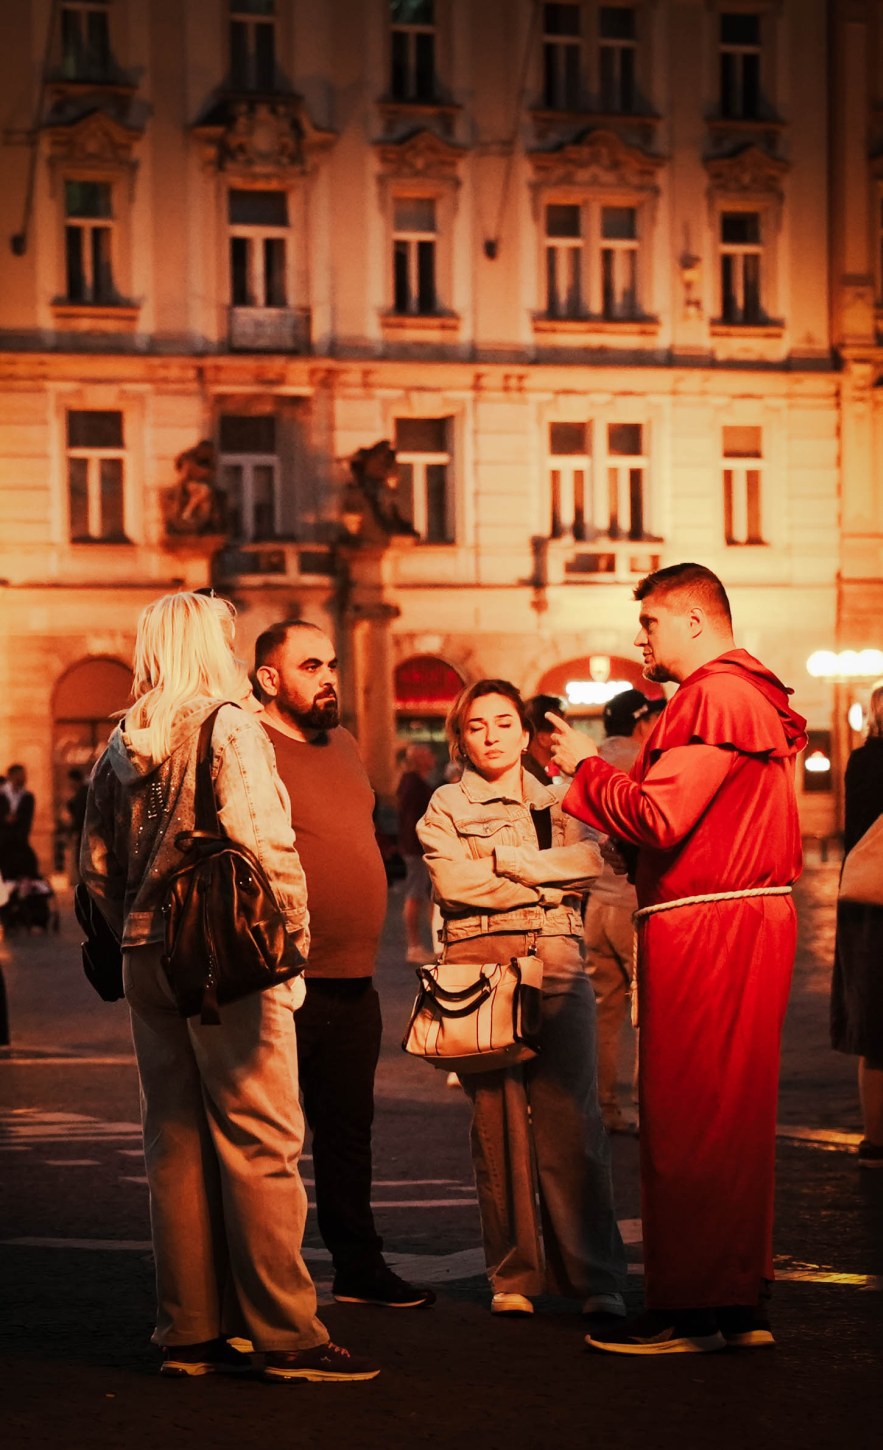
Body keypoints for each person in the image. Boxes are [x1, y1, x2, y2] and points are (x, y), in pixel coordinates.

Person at [80, 590, 378, 1383]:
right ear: (207, 648)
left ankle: (189, 1331)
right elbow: (263, 843)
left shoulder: (123, 736)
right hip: (224, 960)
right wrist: (293, 951)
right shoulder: (229, 724)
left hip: (147, 954)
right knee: (261, 1139)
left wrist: (130, 931)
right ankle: (286, 1332)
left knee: (173, 1141)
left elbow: (97, 865)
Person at [549, 563, 806, 1355]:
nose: (639, 640)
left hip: (707, 926)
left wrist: (582, 766)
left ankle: (689, 1309)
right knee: (729, 1118)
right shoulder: (749, 693)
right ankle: (735, 1303)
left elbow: (661, 815)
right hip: (743, 917)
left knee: (688, 1115)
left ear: (694, 620)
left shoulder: (710, 695)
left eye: (650, 624)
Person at [417, 679, 627, 1321]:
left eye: (504, 722)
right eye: (477, 725)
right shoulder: (445, 803)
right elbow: (452, 884)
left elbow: (597, 860)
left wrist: (509, 868)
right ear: (460, 736)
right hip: (478, 969)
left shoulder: (564, 797)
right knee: (496, 1128)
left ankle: (595, 1279)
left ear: (524, 730)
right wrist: (541, 876)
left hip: (561, 965)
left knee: (576, 1125)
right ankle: (515, 1275)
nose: (491, 735)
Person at [254, 619, 434, 1309]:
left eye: (329, 663)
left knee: (347, 1136)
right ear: (270, 680)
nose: (328, 676)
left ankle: (358, 1267)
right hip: (283, 981)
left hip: (354, 981)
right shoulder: (252, 748)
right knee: (270, 1143)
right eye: (309, 666)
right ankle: (264, 1284)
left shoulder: (349, 743)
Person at [583, 689, 665, 1134]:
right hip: (635, 906)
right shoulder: (648, 761)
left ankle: (605, 1105)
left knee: (604, 1010)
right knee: (650, 1015)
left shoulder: (589, 761)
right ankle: (649, 1109)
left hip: (595, 904)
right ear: (641, 723)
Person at [831, 679, 883, 1169]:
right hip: (874, 902)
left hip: (867, 904)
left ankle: (875, 1138)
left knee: (875, 1035)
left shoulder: (863, 761)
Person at [397, 743, 436, 963]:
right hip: (417, 849)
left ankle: (425, 944)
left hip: (414, 848)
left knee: (424, 895)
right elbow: (414, 820)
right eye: (428, 754)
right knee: (415, 894)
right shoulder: (415, 784)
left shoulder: (412, 782)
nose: (432, 758)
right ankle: (414, 946)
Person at [0, 764, 38, 879]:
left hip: (19, 843)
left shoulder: (27, 797)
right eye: (20, 775)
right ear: (12, 776)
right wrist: (4, 819)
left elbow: (27, 820)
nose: (23, 778)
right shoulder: (2, 795)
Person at [522, 694, 568, 784]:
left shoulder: (531, 773)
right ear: (543, 739)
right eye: (561, 729)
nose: (567, 735)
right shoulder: (533, 781)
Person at [65, 768, 89, 884]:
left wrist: (71, 832)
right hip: (85, 833)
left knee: (82, 863)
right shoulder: (85, 791)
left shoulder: (82, 794)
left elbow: (79, 817)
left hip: (84, 834)